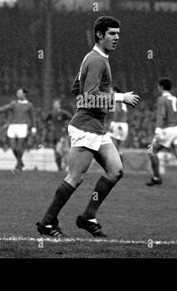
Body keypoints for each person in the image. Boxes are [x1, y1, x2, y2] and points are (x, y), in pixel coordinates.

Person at [36, 16, 139, 237]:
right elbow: (89, 95)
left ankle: (87, 217)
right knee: (75, 177)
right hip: (85, 127)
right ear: (100, 35)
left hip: (97, 127)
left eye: (118, 34)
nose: (117, 38)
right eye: (112, 34)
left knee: (115, 171)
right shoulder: (97, 61)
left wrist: (89, 99)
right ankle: (46, 222)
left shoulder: (94, 58)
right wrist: (121, 97)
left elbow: (77, 88)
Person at [146, 78, 177, 188]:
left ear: (161, 87)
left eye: (158, 86)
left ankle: (157, 178)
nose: (157, 88)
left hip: (167, 129)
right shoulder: (175, 99)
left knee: (151, 150)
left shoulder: (161, 99)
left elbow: (161, 114)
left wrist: (158, 129)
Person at [0, 88, 36, 171]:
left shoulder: (29, 105)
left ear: (24, 94)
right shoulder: (14, 103)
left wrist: (34, 127)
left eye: (19, 93)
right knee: (13, 147)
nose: (18, 94)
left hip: (22, 127)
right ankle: (20, 162)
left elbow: (32, 117)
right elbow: (4, 108)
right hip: (12, 126)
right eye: (17, 93)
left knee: (19, 147)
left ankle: (18, 165)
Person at [45, 99, 72, 172]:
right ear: (53, 105)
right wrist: (49, 128)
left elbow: (72, 119)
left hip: (62, 135)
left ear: (60, 105)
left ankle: (65, 165)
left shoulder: (64, 113)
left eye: (57, 104)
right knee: (56, 151)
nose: (56, 105)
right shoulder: (51, 114)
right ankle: (60, 167)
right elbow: (46, 121)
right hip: (54, 135)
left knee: (61, 150)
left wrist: (66, 127)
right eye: (55, 104)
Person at [108, 86, 129, 163]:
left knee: (108, 140)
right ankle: (120, 169)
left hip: (117, 124)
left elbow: (117, 110)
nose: (109, 91)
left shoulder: (115, 98)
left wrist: (113, 124)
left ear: (115, 91)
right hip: (124, 125)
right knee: (120, 149)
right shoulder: (123, 99)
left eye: (110, 90)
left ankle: (114, 166)